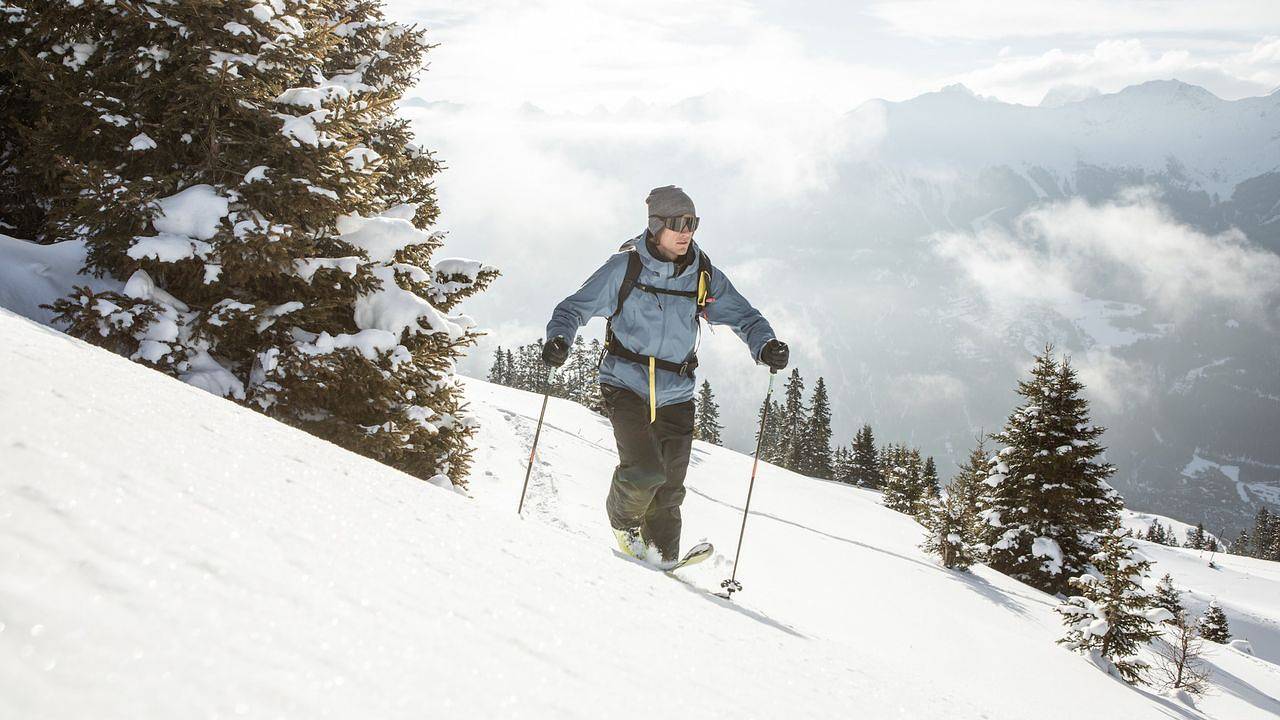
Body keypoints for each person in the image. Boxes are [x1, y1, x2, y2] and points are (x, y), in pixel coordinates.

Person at [542, 185, 789, 564]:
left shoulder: (702, 274)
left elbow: (744, 316)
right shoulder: (624, 268)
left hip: (677, 391)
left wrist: (765, 344)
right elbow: (573, 308)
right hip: (625, 383)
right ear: (656, 227)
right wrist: (559, 339)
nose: (686, 231)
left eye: (692, 223)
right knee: (643, 471)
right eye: (677, 223)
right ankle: (624, 524)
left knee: (669, 493)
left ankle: (663, 564)